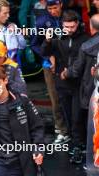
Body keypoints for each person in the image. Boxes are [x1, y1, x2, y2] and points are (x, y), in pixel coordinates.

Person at [0, 65, 44, 176]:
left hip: (21, 159)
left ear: (5, 80)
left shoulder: (22, 101)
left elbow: (37, 127)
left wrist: (38, 149)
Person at [41, 10, 90, 163]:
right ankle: (73, 141)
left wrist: (70, 72)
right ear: (62, 25)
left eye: (72, 27)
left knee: (77, 116)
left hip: (78, 83)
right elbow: (44, 52)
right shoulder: (58, 38)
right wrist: (47, 41)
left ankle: (78, 144)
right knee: (67, 114)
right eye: (66, 26)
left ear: (78, 25)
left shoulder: (84, 39)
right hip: (62, 83)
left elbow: (83, 63)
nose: (69, 29)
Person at [61, 13, 99, 168]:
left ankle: (85, 152)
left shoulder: (87, 46)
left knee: (86, 121)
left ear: (90, 27)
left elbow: (75, 70)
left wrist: (64, 73)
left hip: (90, 91)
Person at [31, 0, 68, 144]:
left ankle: (74, 130)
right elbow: (34, 44)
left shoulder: (69, 17)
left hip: (68, 64)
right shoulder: (41, 22)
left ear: (61, 5)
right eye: (50, 8)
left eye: (55, 7)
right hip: (49, 66)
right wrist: (48, 56)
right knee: (55, 98)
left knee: (71, 97)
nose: (53, 11)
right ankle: (60, 130)